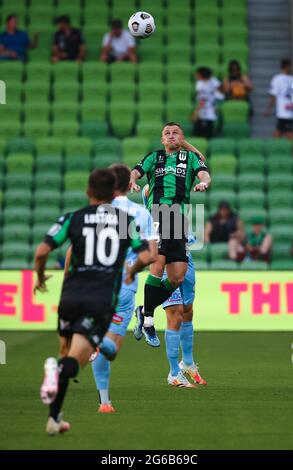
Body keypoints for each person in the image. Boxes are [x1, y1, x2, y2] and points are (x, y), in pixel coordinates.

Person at [34, 169, 152, 435]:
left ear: (88, 192)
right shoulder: (124, 221)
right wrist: (132, 273)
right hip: (101, 298)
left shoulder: (72, 218)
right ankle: (93, 347)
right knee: (98, 351)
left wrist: (40, 277)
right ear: (113, 194)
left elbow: (42, 251)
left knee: (70, 355)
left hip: (70, 295)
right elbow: (146, 255)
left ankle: (54, 419)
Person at [130, 122, 211, 347]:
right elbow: (135, 171)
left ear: (183, 139)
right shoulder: (154, 159)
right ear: (162, 139)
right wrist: (133, 179)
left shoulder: (190, 159)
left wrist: (204, 182)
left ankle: (144, 309)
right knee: (157, 266)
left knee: (177, 277)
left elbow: (204, 169)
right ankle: (148, 320)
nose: (171, 136)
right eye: (167, 133)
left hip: (178, 219)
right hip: (156, 215)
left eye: (176, 133)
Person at [84, 164, 157, 413]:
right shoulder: (142, 213)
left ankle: (104, 402)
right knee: (112, 347)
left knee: (102, 340)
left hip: (95, 283)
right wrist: (132, 270)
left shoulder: (94, 212)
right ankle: (101, 344)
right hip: (124, 285)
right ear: (129, 184)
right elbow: (151, 255)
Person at [139, 185, 207, 388]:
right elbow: (146, 190)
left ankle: (187, 363)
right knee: (175, 314)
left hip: (184, 252)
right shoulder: (154, 191)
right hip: (165, 254)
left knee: (187, 310)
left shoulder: (181, 187)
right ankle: (174, 373)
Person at [264, 58, 293, 140]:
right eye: (290, 66)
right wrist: (269, 109)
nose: (292, 68)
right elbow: (273, 95)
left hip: (290, 113)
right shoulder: (277, 79)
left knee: (282, 133)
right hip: (281, 112)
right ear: (286, 66)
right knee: (283, 133)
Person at [191, 66, 224, 139]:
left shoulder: (203, 84)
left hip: (208, 110)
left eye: (197, 74)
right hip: (210, 108)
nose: (196, 75)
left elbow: (202, 101)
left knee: (204, 130)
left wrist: (196, 112)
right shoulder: (201, 83)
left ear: (201, 75)